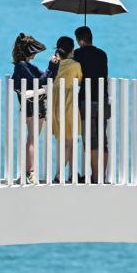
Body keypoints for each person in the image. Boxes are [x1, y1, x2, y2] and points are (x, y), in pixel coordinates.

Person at [73, 26, 110, 183]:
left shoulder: (78, 54)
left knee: (90, 140)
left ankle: (95, 178)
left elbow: (77, 76)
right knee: (103, 140)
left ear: (81, 41)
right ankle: (101, 175)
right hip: (103, 99)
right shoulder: (102, 54)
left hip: (86, 100)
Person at [11, 33, 47, 184]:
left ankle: (27, 171)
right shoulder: (23, 66)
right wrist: (53, 66)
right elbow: (41, 80)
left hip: (31, 105)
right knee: (32, 139)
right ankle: (30, 172)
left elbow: (43, 77)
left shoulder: (23, 65)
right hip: (34, 106)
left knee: (31, 139)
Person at [50, 36, 82, 182]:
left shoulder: (55, 63)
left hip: (55, 105)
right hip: (69, 105)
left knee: (63, 142)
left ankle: (71, 173)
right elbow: (80, 79)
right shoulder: (75, 65)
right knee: (70, 142)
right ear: (72, 50)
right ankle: (60, 173)